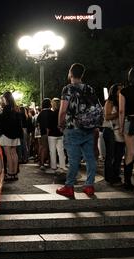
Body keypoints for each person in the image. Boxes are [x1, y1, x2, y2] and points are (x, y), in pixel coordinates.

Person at [57, 63, 97, 198]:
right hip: (88, 127)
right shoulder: (89, 88)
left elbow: (63, 111)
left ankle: (69, 187)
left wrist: (60, 124)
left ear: (70, 73)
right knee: (90, 157)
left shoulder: (68, 89)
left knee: (74, 159)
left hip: (72, 127)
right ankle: (89, 185)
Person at [103, 84, 125, 186]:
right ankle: (109, 177)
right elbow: (107, 116)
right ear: (114, 91)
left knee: (119, 155)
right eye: (119, 89)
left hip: (119, 131)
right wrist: (120, 113)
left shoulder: (122, 101)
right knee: (111, 155)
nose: (122, 91)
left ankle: (116, 176)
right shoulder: (110, 102)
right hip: (110, 130)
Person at [0, 92, 22, 181]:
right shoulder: (16, 108)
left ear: (5, 99)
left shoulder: (6, 109)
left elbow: (2, 123)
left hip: (6, 134)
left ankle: (10, 173)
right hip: (15, 134)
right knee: (14, 153)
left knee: (8, 153)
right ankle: (15, 173)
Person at [47, 98, 67, 174]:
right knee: (61, 150)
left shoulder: (51, 114)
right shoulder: (62, 113)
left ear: (53, 104)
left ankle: (54, 166)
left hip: (52, 134)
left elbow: (49, 126)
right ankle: (62, 165)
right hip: (60, 134)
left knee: (52, 151)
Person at [37, 99, 52, 171]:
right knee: (50, 149)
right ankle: (50, 162)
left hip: (42, 133)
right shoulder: (51, 113)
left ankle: (42, 163)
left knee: (43, 148)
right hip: (51, 133)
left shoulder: (40, 113)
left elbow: (38, 123)